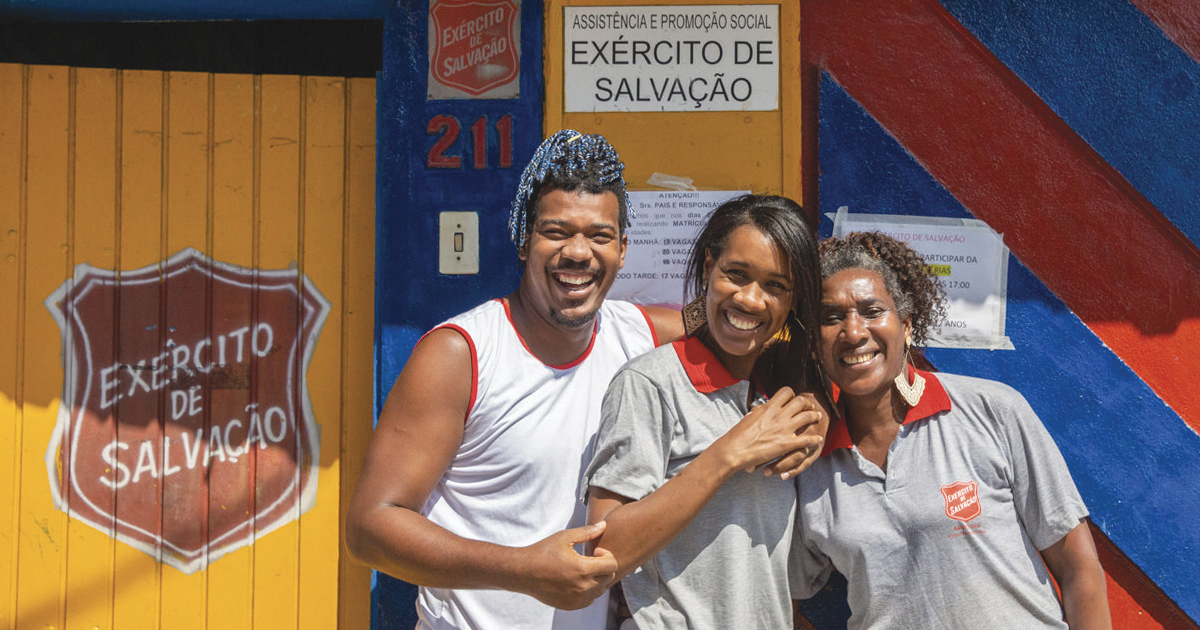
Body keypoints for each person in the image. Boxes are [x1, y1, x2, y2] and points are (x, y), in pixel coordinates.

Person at [345, 130, 684, 630]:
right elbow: (370, 527)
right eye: (556, 231)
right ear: (522, 240)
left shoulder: (640, 335)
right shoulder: (461, 354)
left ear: (623, 249)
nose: (578, 252)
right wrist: (522, 570)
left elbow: (742, 317)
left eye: (599, 235)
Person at [794, 231, 1111, 629]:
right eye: (831, 318)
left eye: (872, 311)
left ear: (906, 326)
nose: (854, 332)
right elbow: (779, 600)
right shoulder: (810, 464)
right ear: (814, 343)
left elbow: (1080, 569)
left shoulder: (991, 411)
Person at [582, 194, 831, 629]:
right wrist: (727, 454)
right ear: (708, 267)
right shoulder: (650, 384)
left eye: (776, 286)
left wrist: (820, 411)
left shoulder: (785, 393)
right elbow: (602, 553)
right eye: (736, 274)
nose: (751, 300)